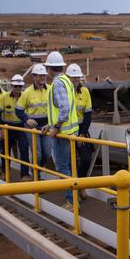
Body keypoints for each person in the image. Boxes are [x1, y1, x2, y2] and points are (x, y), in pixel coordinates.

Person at [40, 51, 78, 209]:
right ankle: (76, 194)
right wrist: (50, 124)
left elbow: (64, 109)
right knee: (69, 166)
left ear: (49, 69)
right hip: (69, 131)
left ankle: (71, 201)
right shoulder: (67, 81)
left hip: (63, 134)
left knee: (62, 167)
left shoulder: (57, 83)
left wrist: (56, 127)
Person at [16, 63, 54, 177]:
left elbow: (56, 108)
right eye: (39, 75)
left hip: (47, 126)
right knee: (37, 154)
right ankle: (36, 177)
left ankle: (37, 170)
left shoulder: (51, 89)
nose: (42, 78)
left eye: (44, 75)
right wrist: (27, 120)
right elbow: (18, 110)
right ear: (34, 76)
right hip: (32, 127)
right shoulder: (27, 92)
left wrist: (50, 123)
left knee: (47, 154)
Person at [66, 63, 93, 199]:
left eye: (77, 78)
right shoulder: (64, 93)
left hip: (81, 130)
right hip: (68, 131)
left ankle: (81, 184)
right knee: (71, 162)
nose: (75, 80)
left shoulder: (85, 92)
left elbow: (88, 114)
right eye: (73, 78)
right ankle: (74, 190)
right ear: (68, 78)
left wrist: (82, 133)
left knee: (86, 159)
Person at [0, 74, 30, 181]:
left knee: (24, 149)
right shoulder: (4, 98)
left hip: (21, 127)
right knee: (5, 151)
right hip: (7, 127)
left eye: (20, 87)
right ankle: (5, 171)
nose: (18, 89)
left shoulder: (25, 97)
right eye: (16, 86)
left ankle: (24, 174)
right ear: (12, 86)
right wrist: (1, 128)